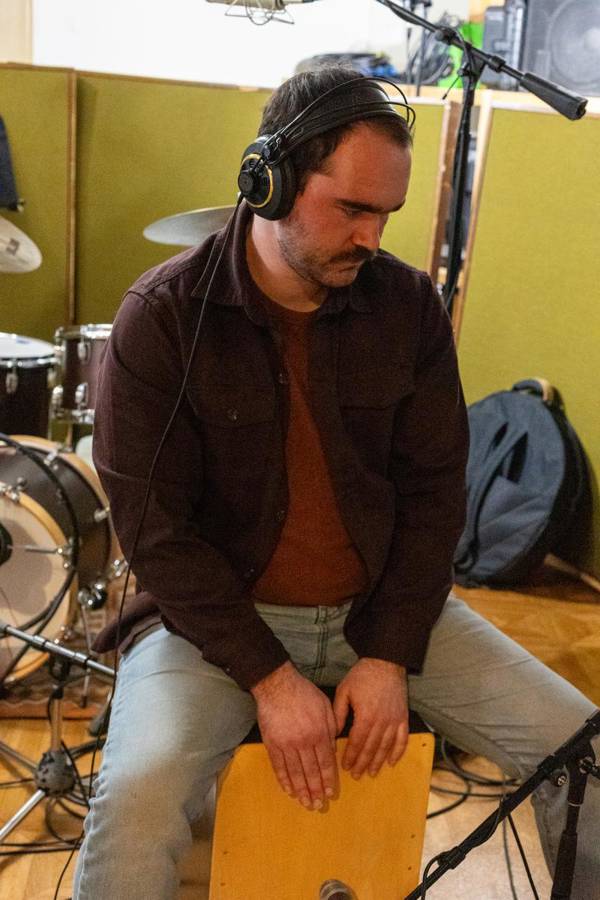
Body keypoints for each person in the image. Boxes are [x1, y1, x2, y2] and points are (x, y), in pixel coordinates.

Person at [73, 67, 599, 899]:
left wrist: (389, 652)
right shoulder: (164, 315)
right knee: (138, 794)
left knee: (587, 752)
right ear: (271, 180)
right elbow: (154, 532)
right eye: (352, 209)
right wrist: (270, 679)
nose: (371, 237)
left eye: (385, 214)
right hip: (214, 627)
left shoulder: (408, 307)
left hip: (381, 609)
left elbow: (435, 494)